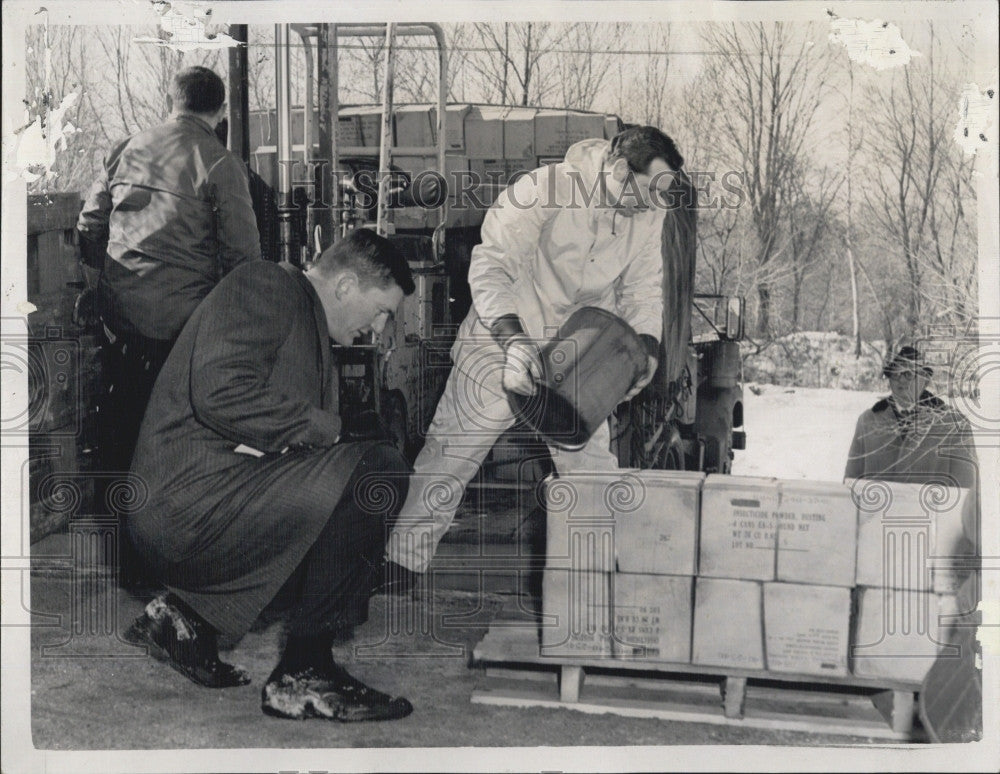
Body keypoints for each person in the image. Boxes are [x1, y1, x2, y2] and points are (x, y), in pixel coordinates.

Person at [123, 229, 416, 722]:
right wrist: (331, 432)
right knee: (376, 473)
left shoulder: (305, 321)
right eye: (382, 310)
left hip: (205, 506)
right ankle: (306, 671)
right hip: (183, 507)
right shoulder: (268, 285)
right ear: (345, 286)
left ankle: (186, 619)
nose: (380, 328)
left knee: (356, 543)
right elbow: (219, 388)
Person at [386, 126, 684, 574]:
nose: (654, 203)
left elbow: (643, 288)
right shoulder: (545, 189)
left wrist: (647, 348)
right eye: (650, 190)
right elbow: (491, 265)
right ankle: (399, 565)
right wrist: (513, 340)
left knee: (591, 471)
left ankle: (597, 577)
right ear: (620, 169)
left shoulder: (648, 212)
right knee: (450, 457)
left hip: (579, 349)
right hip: (502, 334)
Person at [76, 65, 261, 483]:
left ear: (169, 102)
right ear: (220, 110)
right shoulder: (220, 163)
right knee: (176, 449)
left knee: (122, 434)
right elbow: (243, 259)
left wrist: (104, 289)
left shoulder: (125, 148)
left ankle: (118, 526)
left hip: (120, 326)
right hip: (184, 335)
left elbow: (88, 227)